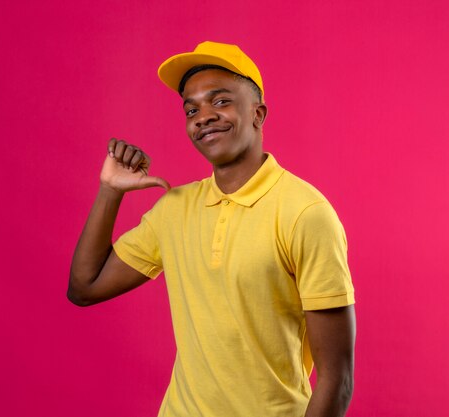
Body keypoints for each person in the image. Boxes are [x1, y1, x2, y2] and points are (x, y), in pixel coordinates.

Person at [69, 41, 356, 417]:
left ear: (258, 113)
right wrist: (110, 191)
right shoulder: (175, 208)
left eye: (220, 101)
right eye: (192, 108)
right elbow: (85, 288)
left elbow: (338, 379)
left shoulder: (305, 213)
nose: (203, 116)